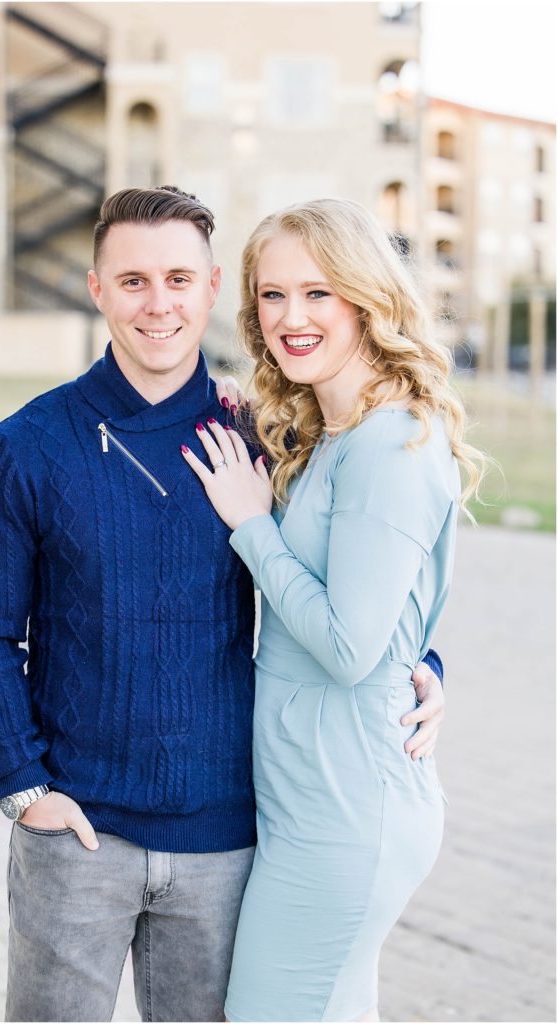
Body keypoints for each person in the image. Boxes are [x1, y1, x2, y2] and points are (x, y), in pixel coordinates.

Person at [0, 186, 445, 1024]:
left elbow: (359, 567)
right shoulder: (23, 449)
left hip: (229, 837)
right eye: (133, 280)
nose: (158, 303)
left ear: (214, 288)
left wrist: (423, 664)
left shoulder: (266, 438)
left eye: (179, 278)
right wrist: (24, 787)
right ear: (97, 288)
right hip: (79, 834)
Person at [182, 197, 483, 1022]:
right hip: (314, 801)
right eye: (272, 295)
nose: (291, 317)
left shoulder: (389, 444)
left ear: (365, 297)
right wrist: (424, 667)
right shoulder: (334, 434)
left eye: (318, 293)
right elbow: (386, 615)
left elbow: (351, 647)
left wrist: (252, 527)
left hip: (348, 815)